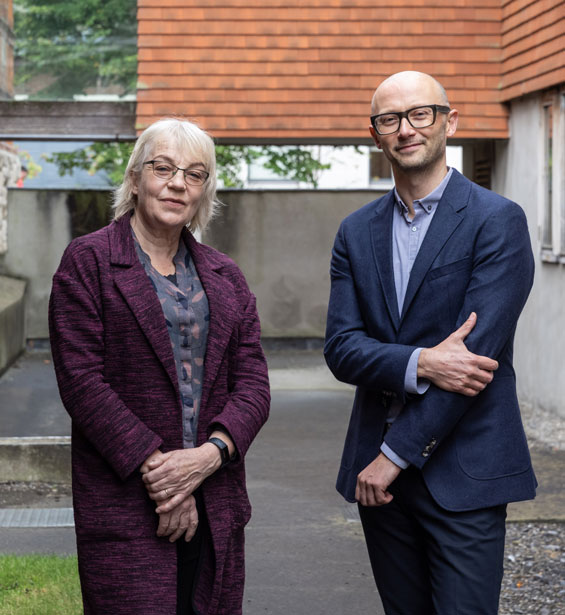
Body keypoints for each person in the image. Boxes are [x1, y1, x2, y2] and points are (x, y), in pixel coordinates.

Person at [324, 71, 536, 615]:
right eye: (390, 119)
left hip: (461, 471)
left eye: (420, 114)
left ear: (449, 121)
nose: (406, 129)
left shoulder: (497, 221)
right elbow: (341, 347)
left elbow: (473, 364)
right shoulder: (355, 231)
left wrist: (393, 457)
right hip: (381, 485)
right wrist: (422, 361)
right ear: (376, 134)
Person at [49, 118, 270, 615]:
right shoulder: (88, 262)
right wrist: (167, 479)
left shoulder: (225, 275)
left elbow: (253, 382)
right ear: (134, 177)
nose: (177, 183)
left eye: (194, 174)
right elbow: (82, 383)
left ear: (204, 191)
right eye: (163, 168)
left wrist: (209, 457)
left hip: (217, 500)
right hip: (127, 501)